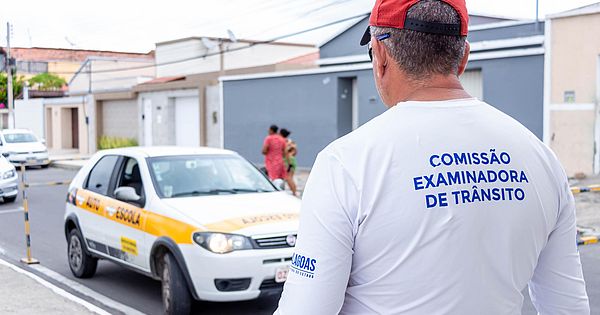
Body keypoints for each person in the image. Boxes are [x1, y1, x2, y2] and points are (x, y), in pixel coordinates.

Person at [275, 0, 590, 314]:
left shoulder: (345, 163)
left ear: (380, 55)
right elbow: (568, 306)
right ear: (463, 58)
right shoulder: (541, 159)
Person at [280, 128, 298, 196]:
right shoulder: (290, 142)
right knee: (289, 178)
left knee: (288, 178)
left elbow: (287, 152)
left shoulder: (286, 142)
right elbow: (295, 151)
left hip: (288, 161)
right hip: (291, 160)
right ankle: (294, 192)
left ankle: (294, 193)